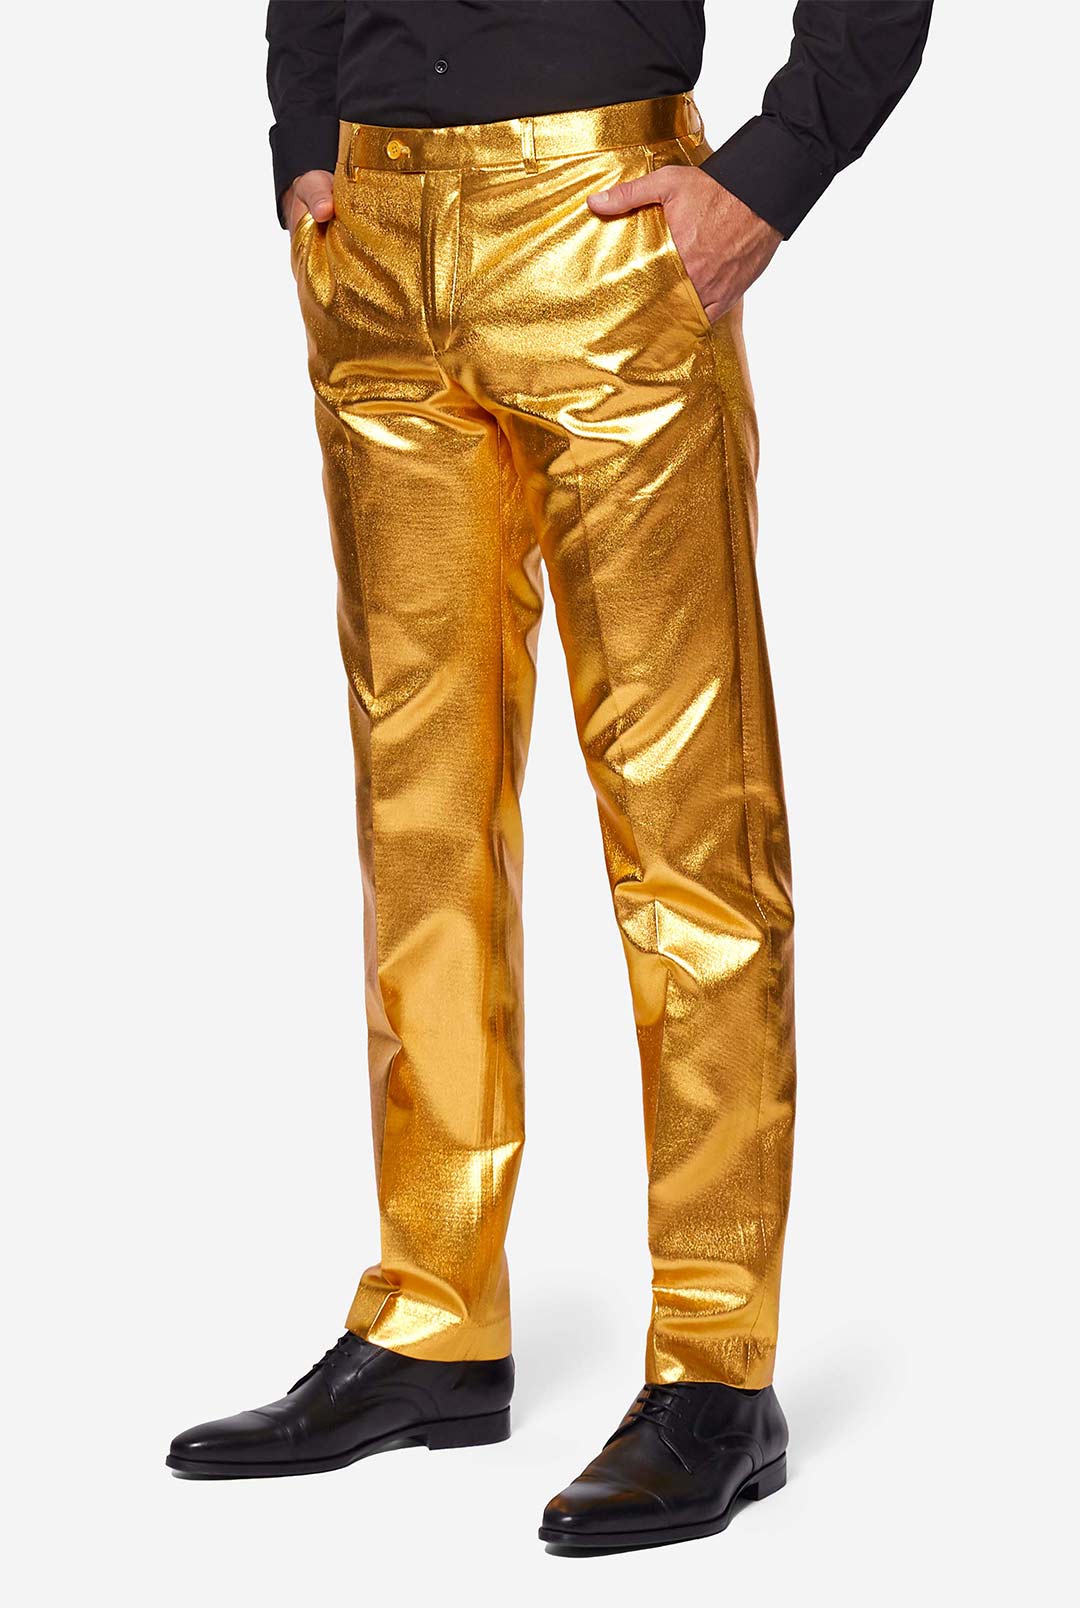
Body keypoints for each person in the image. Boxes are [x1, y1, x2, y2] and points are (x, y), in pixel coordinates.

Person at [168, 0, 931, 1551]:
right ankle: (434, 1316)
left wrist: (776, 171)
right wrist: (305, 138)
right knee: (419, 810)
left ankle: (715, 1369)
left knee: (686, 819)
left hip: (606, 229)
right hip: (376, 246)